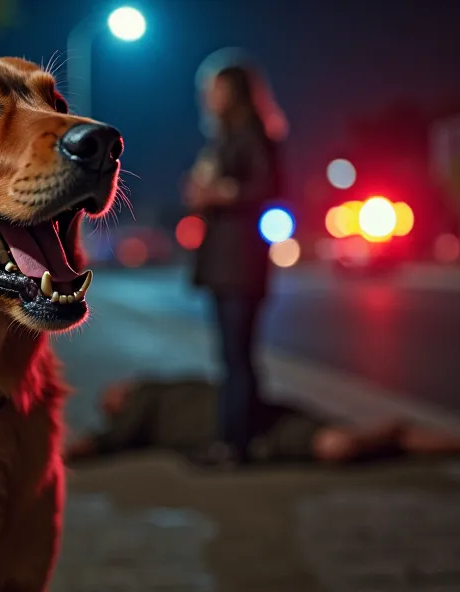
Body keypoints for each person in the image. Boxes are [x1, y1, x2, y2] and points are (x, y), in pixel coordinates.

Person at [182, 50, 286, 465]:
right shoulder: (224, 137)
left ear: (237, 93)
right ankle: (243, 436)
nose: (208, 97)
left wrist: (215, 192)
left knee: (237, 356)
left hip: (241, 264)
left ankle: (235, 444)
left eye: (216, 89)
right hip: (225, 263)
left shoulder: (255, 134)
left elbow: (266, 188)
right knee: (231, 354)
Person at [64, 378, 460, 465]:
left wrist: (53, 453)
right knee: (342, 446)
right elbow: (108, 442)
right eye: (110, 404)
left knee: (340, 447)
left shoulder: (149, 393)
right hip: (265, 433)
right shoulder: (142, 412)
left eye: (110, 396)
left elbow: (99, 444)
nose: (111, 400)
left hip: (267, 425)